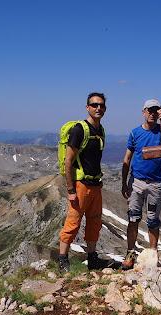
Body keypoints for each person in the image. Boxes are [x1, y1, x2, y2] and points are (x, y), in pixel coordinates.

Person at [58, 92, 114, 272]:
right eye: (94, 105)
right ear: (87, 107)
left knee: (94, 222)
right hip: (81, 185)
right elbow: (68, 161)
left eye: (101, 105)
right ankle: (62, 260)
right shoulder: (79, 130)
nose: (98, 108)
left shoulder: (101, 130)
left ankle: (92, 258)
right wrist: (70, 189)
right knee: (73, 222)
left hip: (96, 184)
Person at [120, 99, 161, 269]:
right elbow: (127, 158)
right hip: (136, 182)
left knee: (153, 221)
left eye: (155, 110)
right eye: (149, 110)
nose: (152, 113)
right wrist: (124, 183)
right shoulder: (135, 133)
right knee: (133, 219)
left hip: (155, 184)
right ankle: (130, 253)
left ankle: (152, 254)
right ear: (143, 112)